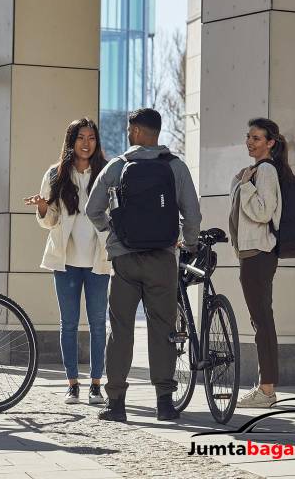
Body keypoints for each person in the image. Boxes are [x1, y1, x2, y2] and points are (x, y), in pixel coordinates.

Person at [86, 108, 201, 422]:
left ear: (136, 131)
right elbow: (192, 213)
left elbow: (93, 209)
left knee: (120, 330)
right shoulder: (175, 166)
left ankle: (116, 404)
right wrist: (189, 244)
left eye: (129, 129)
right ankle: (165, 403)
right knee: (163, 328)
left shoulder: (117, 166)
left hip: (125, 259)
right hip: (162, 258)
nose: (128, 133)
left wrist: (114, 230)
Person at [24, 118, 111, 405]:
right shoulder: (55, 174)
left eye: (91, 138)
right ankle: (72, 384)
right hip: (66, 262)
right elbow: (50, 221)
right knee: (69, 324)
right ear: (71, 141)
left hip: (98, 261)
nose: (86, 143)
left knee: (98, 324)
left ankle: (96, 385)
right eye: (81, 137)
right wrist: (42, 207)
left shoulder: (107, 173)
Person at [229, 118, 288, 408]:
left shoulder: (265, 170)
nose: (250, 142)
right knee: (261, 319)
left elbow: (264, 213)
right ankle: (266, 388)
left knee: (262, 320)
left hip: (258, 254)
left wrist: (245, 187)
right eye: (248, 137)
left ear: (270, 143)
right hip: (252, 254)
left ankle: (266, 390)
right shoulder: (256, 170)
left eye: (256, 138)